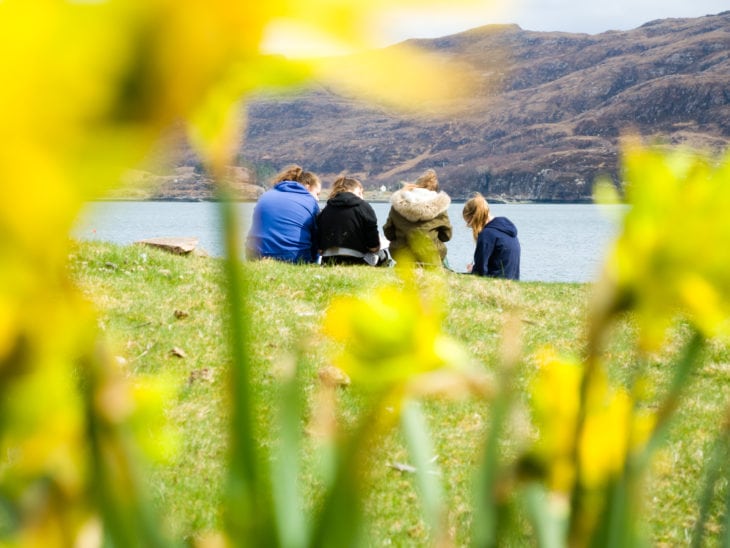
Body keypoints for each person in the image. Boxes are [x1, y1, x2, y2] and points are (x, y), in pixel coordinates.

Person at [246, 165, 321, 263]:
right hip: (293, 258)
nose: (318, 199)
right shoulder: (310, 202)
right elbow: (316, 239)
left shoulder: (266, 195)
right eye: (317, 194)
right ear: (308, 187)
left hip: (255, 256)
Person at [382, 169, 452, 266]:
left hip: (402, 256)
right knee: (440, 254)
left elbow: (388, 233)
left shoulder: (398, 206)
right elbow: (447, 236)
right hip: (431, 256)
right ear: (435, 190)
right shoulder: (440, 208)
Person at [317, 176, 391, 266]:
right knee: (383, 254)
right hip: (356, 260)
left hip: (328, 260)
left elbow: (319, 248)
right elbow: (374, 247)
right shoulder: (364, 207)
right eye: (361, 193)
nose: (362, 197)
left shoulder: (326, 209)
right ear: (357, 190)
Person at [462, 192, 520, 280]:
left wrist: (472, 270)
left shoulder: (487, 235)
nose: (471, 227)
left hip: (497, 284)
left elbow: (480, 272)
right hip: (512, 281)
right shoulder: (506, 229)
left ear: (474, 218)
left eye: (470, 224)